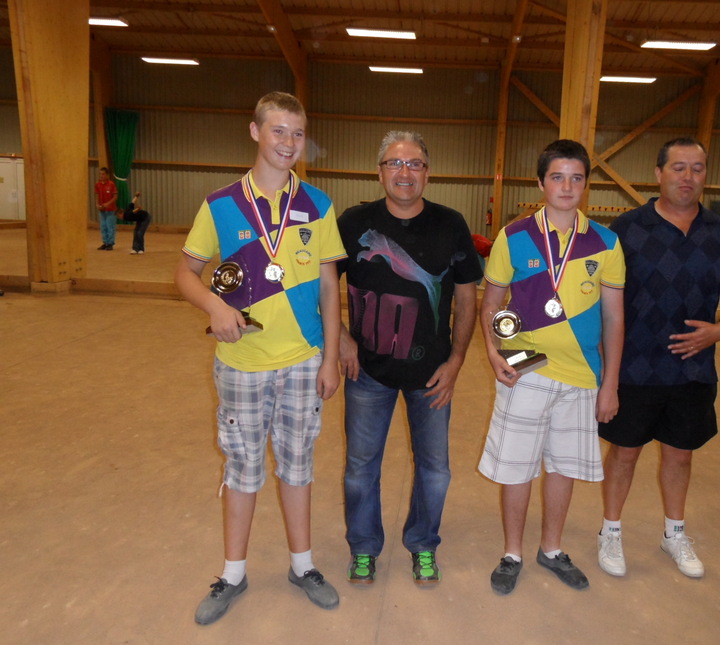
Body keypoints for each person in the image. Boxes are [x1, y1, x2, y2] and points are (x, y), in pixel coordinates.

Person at [175, 91, 346, 625]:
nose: (289, 143)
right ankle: (232, 574)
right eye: (278, 131)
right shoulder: (221, 204)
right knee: (243, 468)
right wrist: (212, 304)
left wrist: (331, 357)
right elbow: (186, 271)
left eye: (297, 133)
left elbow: (328, 288)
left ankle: (303, 565)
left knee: (298, 467)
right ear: (255, 132)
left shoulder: (318, 205)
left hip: (301, 360)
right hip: (242, 362)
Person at [597, 137, 720, 580]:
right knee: (624, 454)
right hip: (633, 368)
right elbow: (597, 302)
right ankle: (610, 531)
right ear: (658, 174)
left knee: (680, 456)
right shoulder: (625, 231)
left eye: (698, 169)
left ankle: (674, 533)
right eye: (679, 168)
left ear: (706, 174)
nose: (688, 177)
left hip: (693, 370)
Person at [478, 139, 625, 596]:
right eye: (557, 177)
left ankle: (552, 548)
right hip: (526, 367)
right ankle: (513, 553)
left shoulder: (606, 241)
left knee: (563, 467)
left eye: (576, 177)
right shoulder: (514, 236)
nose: (567, 186)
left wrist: (611, 385)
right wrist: (491, 350)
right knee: (518, 467)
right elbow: (491, 302)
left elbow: (616, 317)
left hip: (583, 373)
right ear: (541, 183)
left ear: (585, 184)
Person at [337, 131, 483, 587]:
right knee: (361, 468)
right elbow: (319, 286)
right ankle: (363, 548)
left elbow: (466, 295)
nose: (405, 172)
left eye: (415, 163)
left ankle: (423, 543)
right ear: (380, 171)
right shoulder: (353, 222)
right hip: (369, 373)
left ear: (428, 172)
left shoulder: (451, 223)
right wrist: (341, 339)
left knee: (436, 470)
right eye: (395, 163)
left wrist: (457, 360)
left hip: (431, 375)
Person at [94, 167, 118, 250]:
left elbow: (115, 197)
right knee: (103, 226)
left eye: (103, 174)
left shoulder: (111, 184)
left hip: (110, 210)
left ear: (107, 175)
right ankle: (105, 242)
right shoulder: (98, 184)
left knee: (110, 226)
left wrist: (108, 204)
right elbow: (97, 195)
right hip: (102, 209)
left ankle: (110, 243)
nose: (101, 176)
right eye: (100, 174)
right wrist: (97, 204)